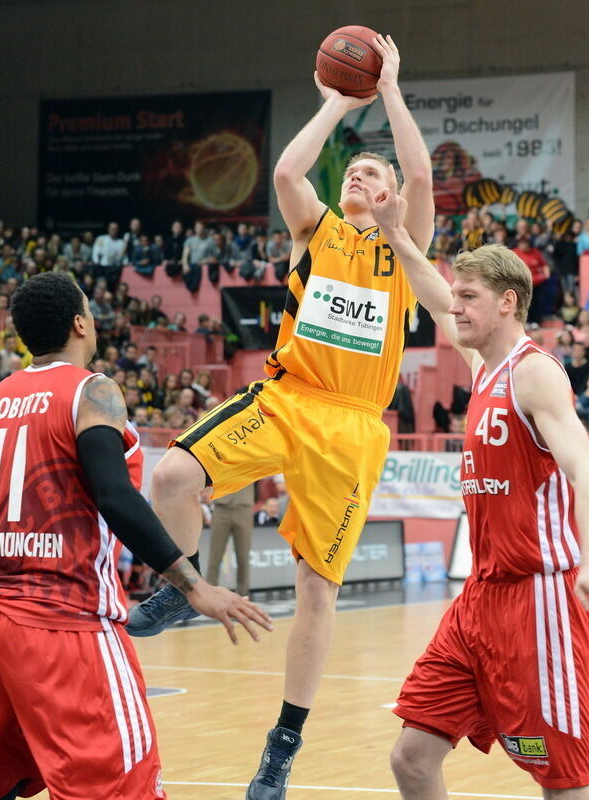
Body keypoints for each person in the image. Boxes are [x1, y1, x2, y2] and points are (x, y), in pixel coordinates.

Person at [125, 33, 432, 799]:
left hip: (355, 425)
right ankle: (179, 584)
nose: (363, 176)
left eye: (375, 172)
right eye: (355, 172)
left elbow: (421, 170)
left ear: (391, 193)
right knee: (170, 473)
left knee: (316, 591)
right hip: (288, 397)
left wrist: (389, 90)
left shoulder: (405, 245)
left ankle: (283, 743)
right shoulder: (317, 228)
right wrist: (337, 101)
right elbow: (290, 169)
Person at [359, 172, 589, 799]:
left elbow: (586, 468)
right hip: (479, 599)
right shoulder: (484, 366)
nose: (457, 307)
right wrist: (394, 231)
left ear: (507, 301)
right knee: (411, 758)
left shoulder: (535, 376)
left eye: (469, 296)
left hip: (540, 600)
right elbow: (428, 292)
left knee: (565, 787)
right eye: (458, 296)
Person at [0, 272, 272, 800]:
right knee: (121, 788)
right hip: (64, 622)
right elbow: (114, 496)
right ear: (80, 322)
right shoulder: (94, 390)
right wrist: (192, 586)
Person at [206, 483, 255, 598]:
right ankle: (210, 593)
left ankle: (243, 594)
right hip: (220, 508)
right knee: (215, 555)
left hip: (244, 507)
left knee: (243, 555)